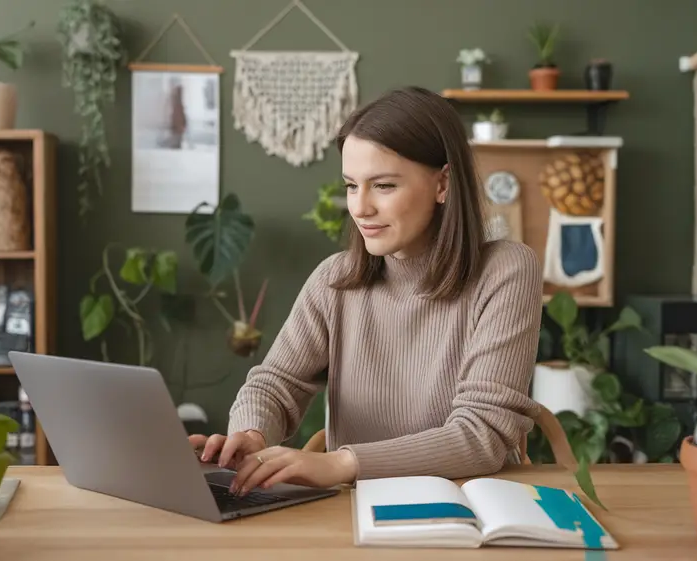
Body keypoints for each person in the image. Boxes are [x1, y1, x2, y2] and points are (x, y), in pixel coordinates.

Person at [189, 85, 543, 496]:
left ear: (443, 184)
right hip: (360, 513)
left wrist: (342, 463)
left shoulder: (506, 270)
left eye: (384, 186)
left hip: (471, 509)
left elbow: (482, 435)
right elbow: (275, 383)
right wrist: (251, 435)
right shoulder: (334, 279)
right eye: (351, 186)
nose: (360, 207)